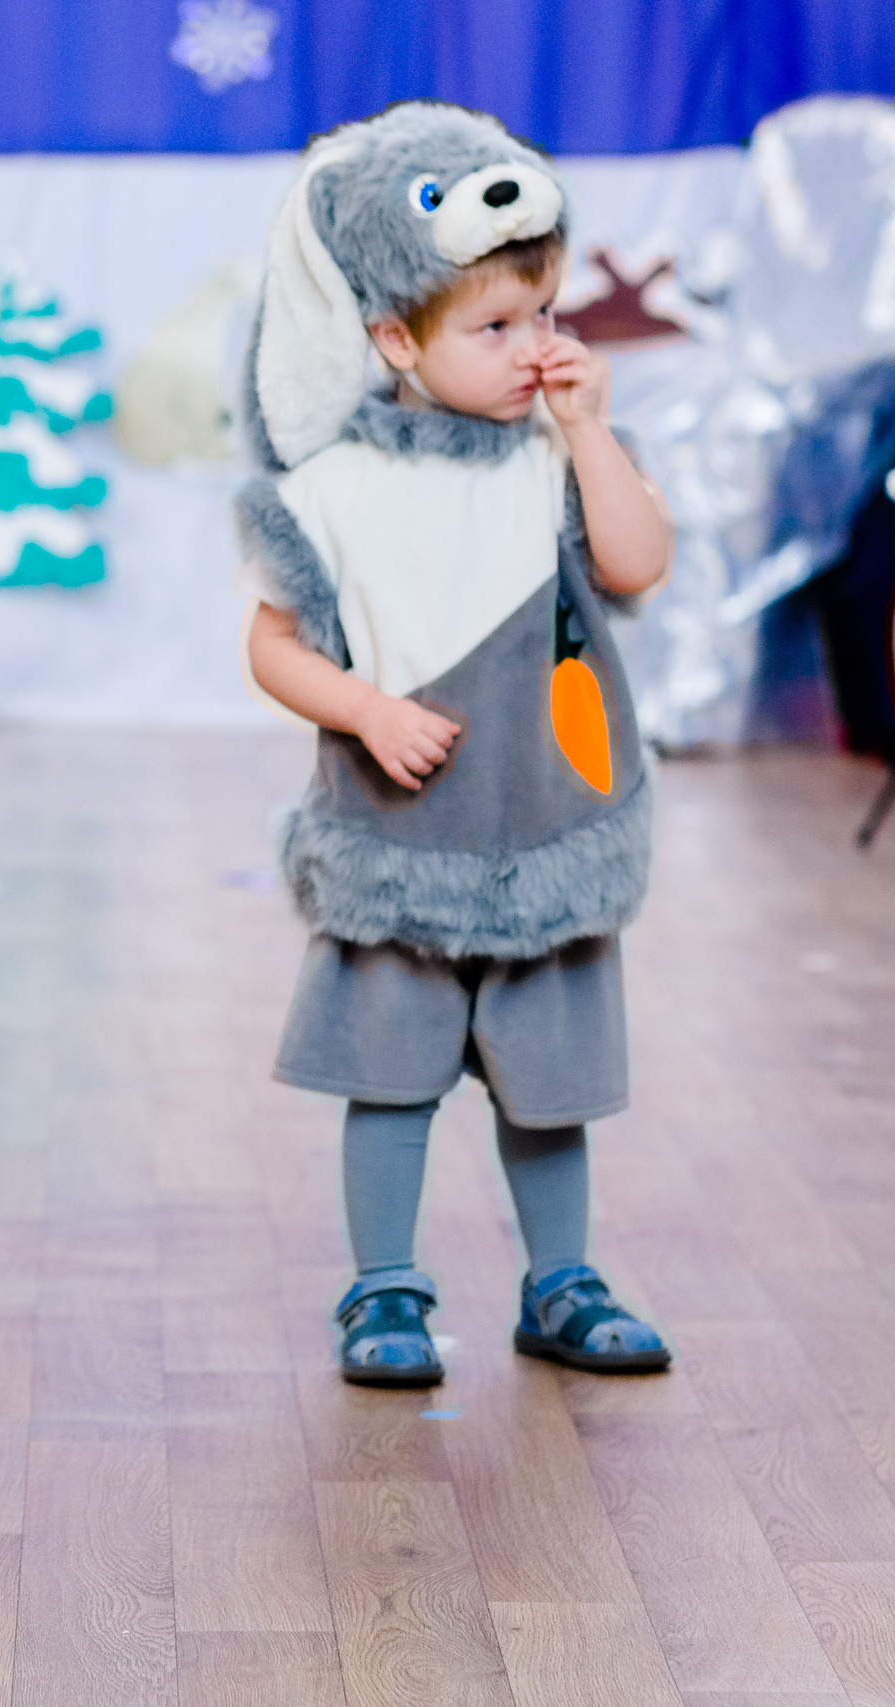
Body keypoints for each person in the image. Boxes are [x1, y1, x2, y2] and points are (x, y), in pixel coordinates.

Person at [235, 102, 674, 1389]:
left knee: (550, 1086)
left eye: (542, 314)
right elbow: (271, 646)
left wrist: (590, 430)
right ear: (394, 339)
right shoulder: (332, 489)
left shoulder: (561, 457)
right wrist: (363, 709)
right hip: (399, 839)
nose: (532, 348)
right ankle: (382, 1288)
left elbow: (639, 567)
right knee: (391, 1079)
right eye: (492, 327)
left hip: (546, 826)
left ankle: (561, 1280)